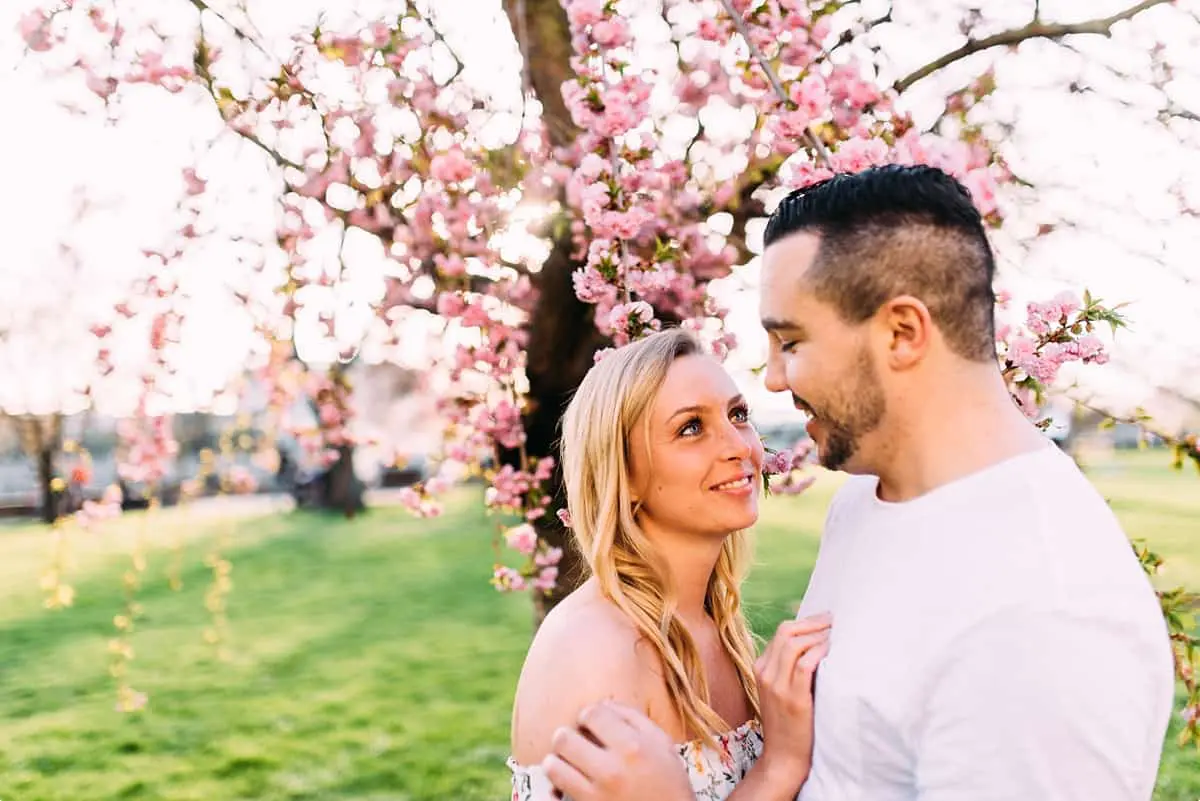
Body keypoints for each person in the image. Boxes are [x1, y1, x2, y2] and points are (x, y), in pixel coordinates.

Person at [540, 164, 1176, 800]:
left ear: (902, 333)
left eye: (792, 342)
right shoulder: (865, 503)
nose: (774, 381)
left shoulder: (1043, 613)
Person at [507, 327, 831, 801]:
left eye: (738, 415)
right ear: (625, 473)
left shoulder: (711, 625)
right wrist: (780, 765)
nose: (740, 446)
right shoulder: (596, 651)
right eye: (691, 428)